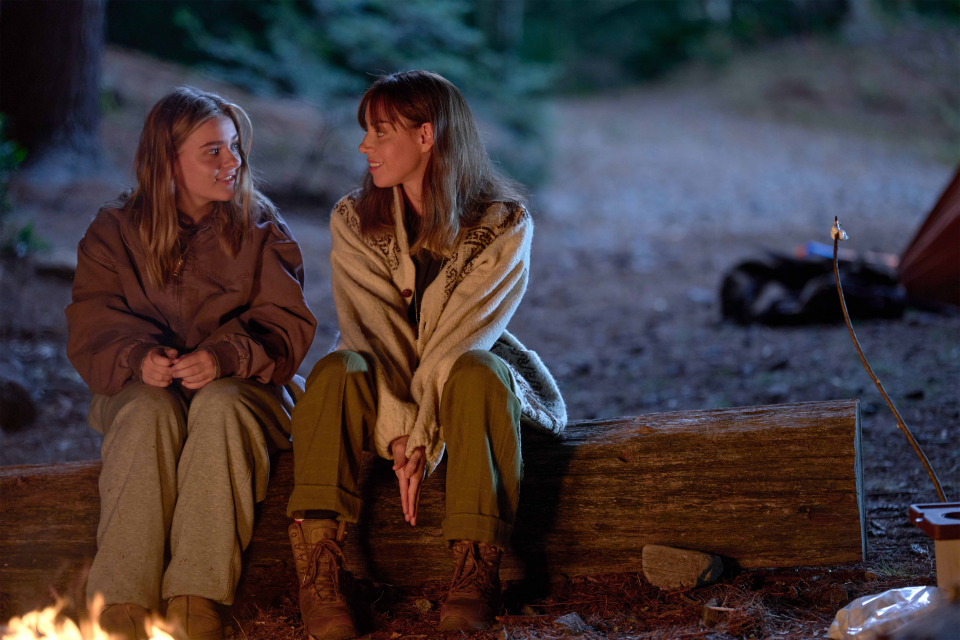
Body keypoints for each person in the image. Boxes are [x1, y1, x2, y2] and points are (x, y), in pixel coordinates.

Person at [286, 70, 566, 640]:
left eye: (381, 131)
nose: (365, 145)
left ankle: (475, 569)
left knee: (480, 370)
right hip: (381, 386)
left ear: (427, 136)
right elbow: (371, 335)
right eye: (365, 130)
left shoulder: (503, 223)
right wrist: (398, 432)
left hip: (463, 389)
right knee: (337, 367)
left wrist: (421, 438)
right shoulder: (354, 220)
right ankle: (321, 574)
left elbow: (460, 339)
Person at [65, 87, 317, 640]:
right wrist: (137, 357)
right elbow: (92, 321)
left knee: (221, 407)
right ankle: (120, 605)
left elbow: (286, 325)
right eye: (213, 151)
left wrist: (224, 356)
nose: (233, 163)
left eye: (234, 148)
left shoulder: (260, 230)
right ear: (167, 161)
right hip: (141, 389)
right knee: (149, 412)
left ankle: (194, 601)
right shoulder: (113, 233)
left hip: (247, 388)